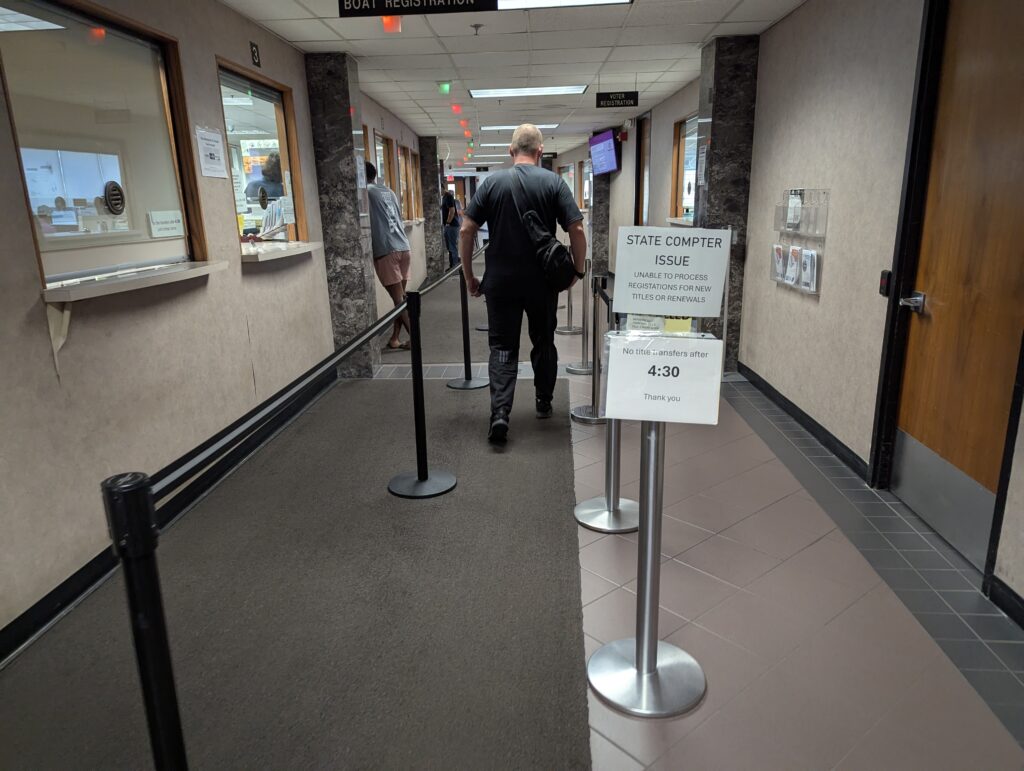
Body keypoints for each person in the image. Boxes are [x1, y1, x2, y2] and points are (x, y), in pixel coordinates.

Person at [459, 124, 587, 444]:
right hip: (542, 282)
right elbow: (577, 230)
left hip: (500, 283)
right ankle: (543, 401)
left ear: (511, 151)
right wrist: (578, 271)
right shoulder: (553, 182)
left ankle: (500, 414)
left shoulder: (491, 183)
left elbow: (465, 231)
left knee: (502, 347)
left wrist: (468, 276)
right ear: (540, 151)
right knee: (543, 341)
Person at [366, 161, 413, 350]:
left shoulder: (365, 192)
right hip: (404, 246)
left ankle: (416, 339)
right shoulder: (389, 191)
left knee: (398, 300)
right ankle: (394, 338)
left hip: (387, 250)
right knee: (400, 298)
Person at [442, 190, 461, 268]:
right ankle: (452, 267)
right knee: (450, 247)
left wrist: (448, 223)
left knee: (452, 247)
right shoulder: (444, 197)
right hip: (449, 225)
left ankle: (455, 267)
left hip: (451, 226)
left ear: (441, 188)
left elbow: (452, 211)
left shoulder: (448, 196)